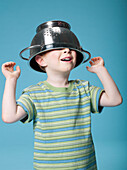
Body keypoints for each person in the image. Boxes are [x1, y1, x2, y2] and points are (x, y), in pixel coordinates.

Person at [2, 21, 122, 170]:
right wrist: (11, 79)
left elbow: (115, 99)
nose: (66, 50)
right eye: (59, 48)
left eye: (70, 48)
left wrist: (101, 71)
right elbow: (9, 116)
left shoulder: (84, 89)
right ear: (41, 60)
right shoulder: (34, 94)